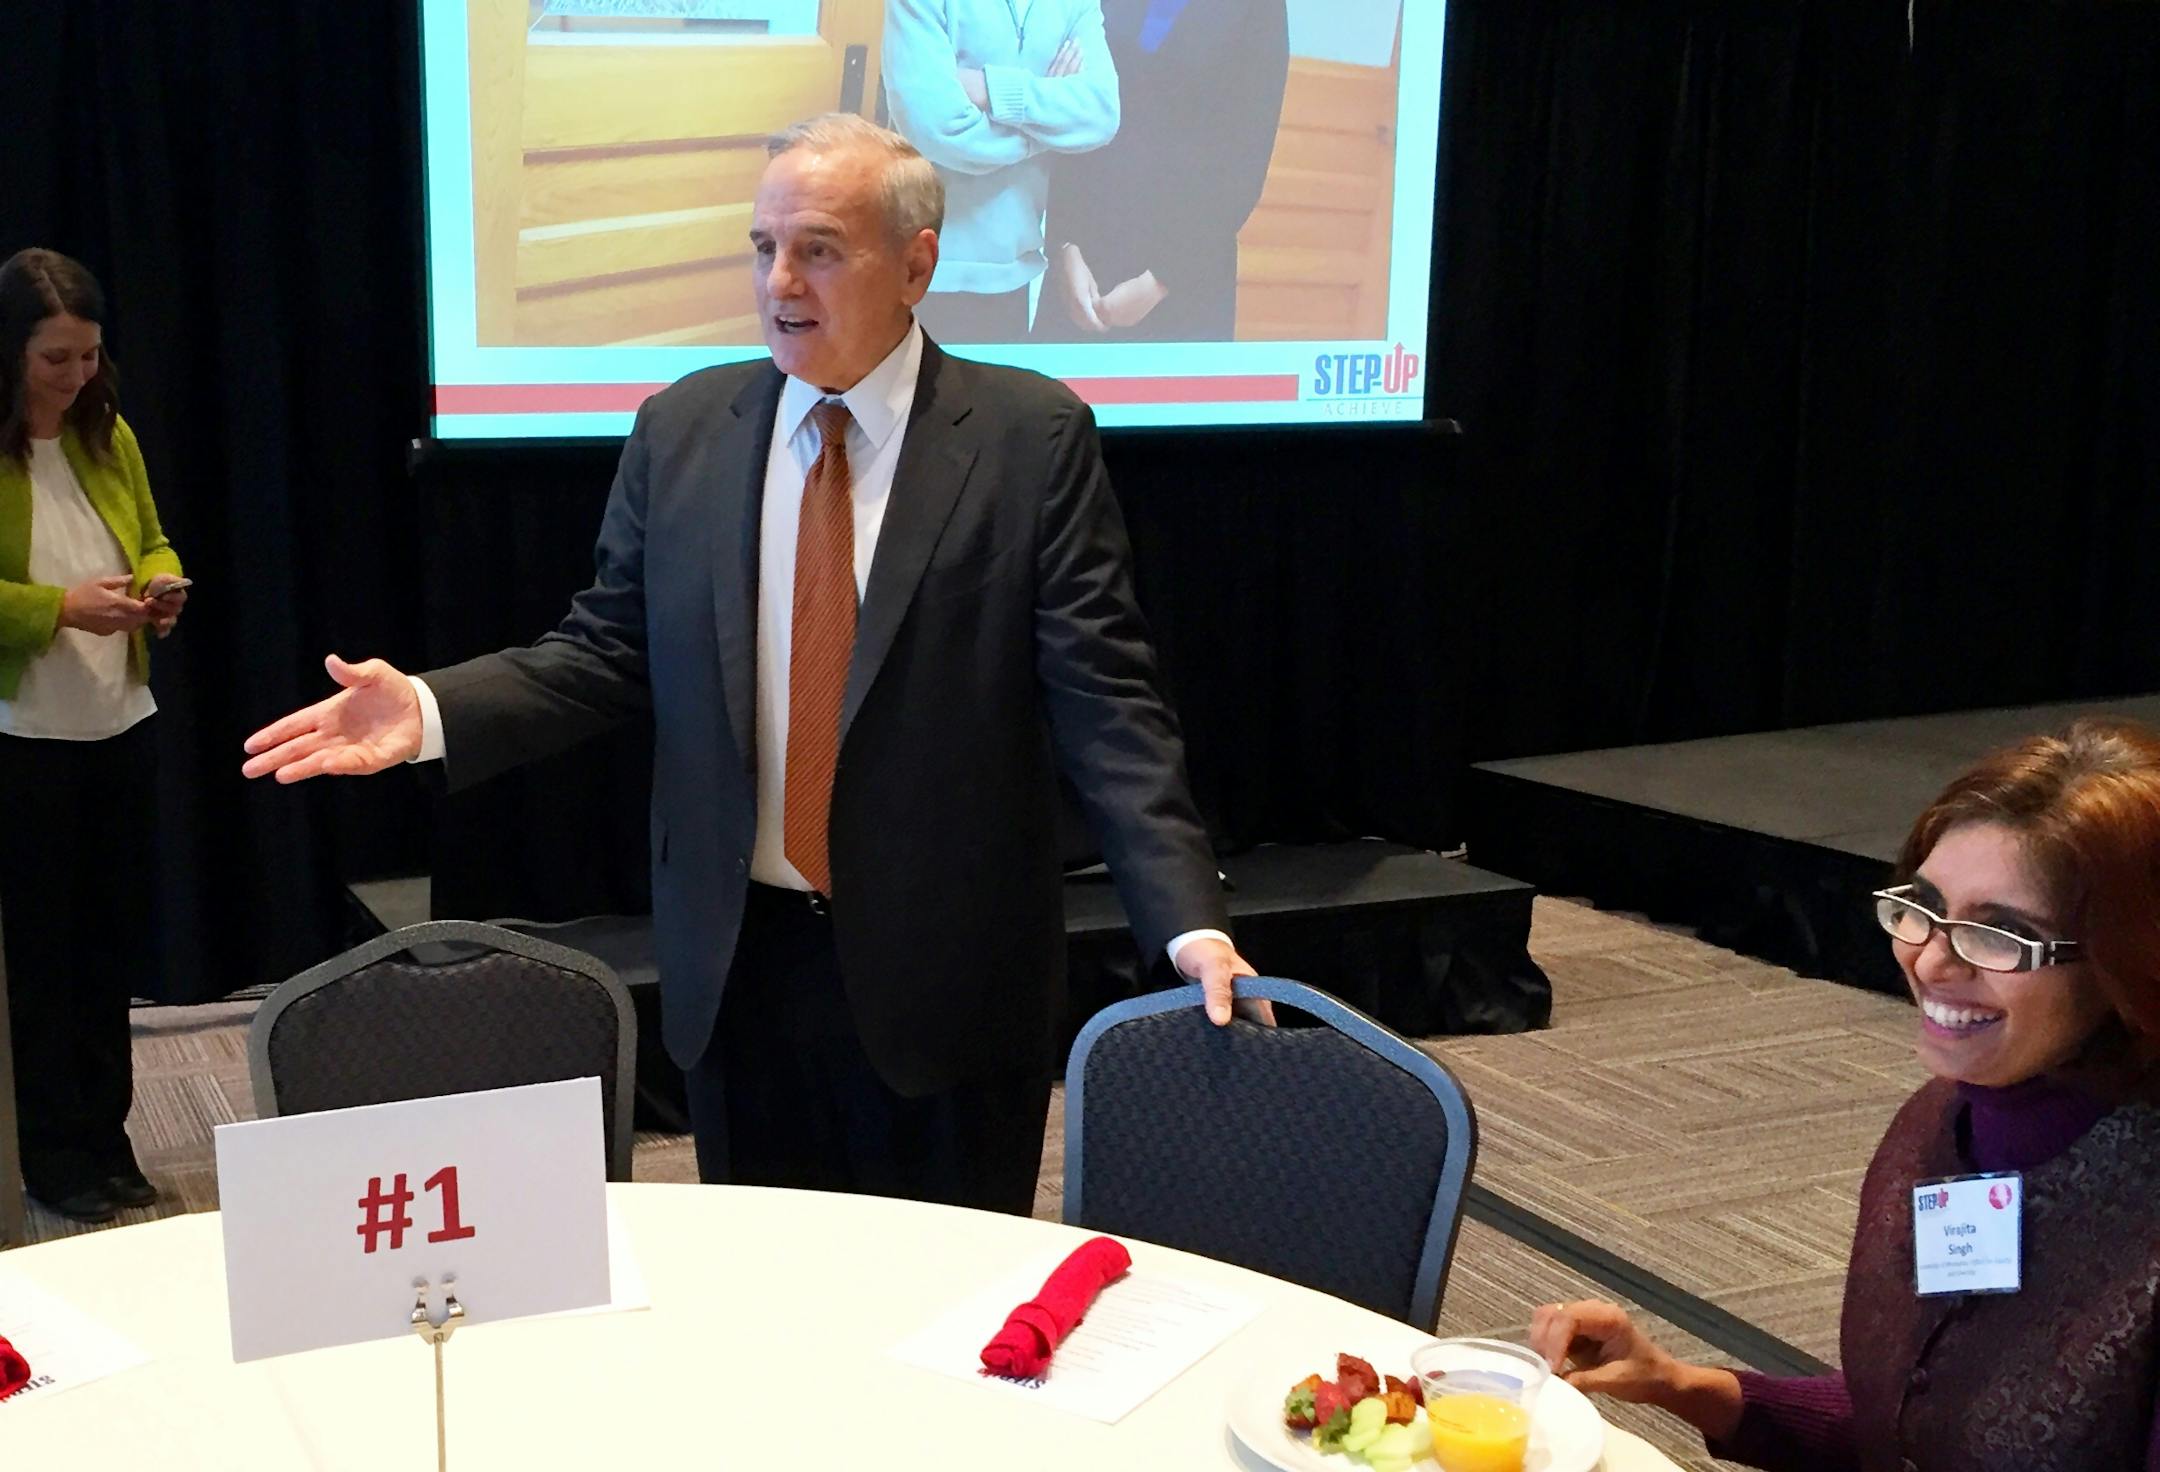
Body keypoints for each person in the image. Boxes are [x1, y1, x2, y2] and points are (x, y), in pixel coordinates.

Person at [242, 114, 1265, 1215]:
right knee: (768, 1314)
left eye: (820, 248)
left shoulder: (1027, 437)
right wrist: (435, 708)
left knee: (944, 1317)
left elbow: (1107, 701)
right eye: (763, 246)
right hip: (740, 973)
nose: (780, 279)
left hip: (949, 980)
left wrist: (1185, 918)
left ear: (918, 261)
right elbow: (602, 649)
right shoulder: (685, 428)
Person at [1531, 718, 2160, 1471]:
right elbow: (1910, 1434)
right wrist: (1685, 1386)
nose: (1928, 962)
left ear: (2127, 967)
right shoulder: (1945, 1122)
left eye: (2000, 936)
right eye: (1922, 908)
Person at [0, 248, 188, 1224]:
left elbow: (151, 533)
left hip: (120, 727)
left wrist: (160, 583)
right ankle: (51, 1156)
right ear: (10, 356)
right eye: (55, 360)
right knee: (42, 965)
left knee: (106, 955)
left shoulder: (107, 435)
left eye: (88, 356)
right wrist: (57, 608)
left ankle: (108, 1144)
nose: (76, 378)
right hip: (24, 741)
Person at [1037, 0, 1289, 342]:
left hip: (1187, 273)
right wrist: (1063, 245)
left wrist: (1162, 278)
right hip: (1082, 268)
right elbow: (1071, 108)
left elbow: (1245, 158)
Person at [883, 0, 1119, 343]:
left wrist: (990, 89)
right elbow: (937, 128)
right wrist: (1047, 126)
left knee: (998, 395)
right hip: (922, 266)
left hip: (1017, 269)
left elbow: (1101, 113)